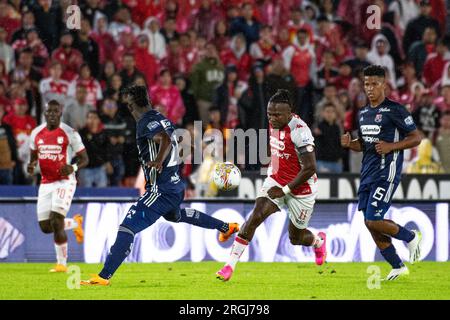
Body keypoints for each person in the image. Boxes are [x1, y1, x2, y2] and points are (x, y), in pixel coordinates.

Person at [80, 85, 239, 286]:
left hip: (161, 190)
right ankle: (225, 227)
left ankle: (103, 276)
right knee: (176, 215)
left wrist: (158, 160)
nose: (129, 110)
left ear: (133, 106)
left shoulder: (145, 122)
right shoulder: (162, 118)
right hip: (175, 186)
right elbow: (182, 145)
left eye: (129, 106)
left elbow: (164, 139)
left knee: (127, 227)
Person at [216, 89, 326, 282]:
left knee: (296, 238)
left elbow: (310, 168)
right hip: (275, 179)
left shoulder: (300, 130)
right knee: (254, 217)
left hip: (302, 189)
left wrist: (284, 190)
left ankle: (318, 242)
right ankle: (229, 266)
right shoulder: (274, 121)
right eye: (269, 114)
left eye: (277, 115)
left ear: (290, 112)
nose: (273, 118)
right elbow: (277, 147)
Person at [340, 65, 423, 281]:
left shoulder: (395, 110)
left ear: (384, 84)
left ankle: (410, 236)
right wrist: (351, 144)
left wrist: (391, 146)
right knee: (369, 222)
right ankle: (397, 265)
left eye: (374, 83)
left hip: (387, 172)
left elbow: (416, 137)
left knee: (374, 219)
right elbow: (366, 145)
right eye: (366, 84)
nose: (369, 88)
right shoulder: (364, 113)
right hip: (367, 173)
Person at [27, 100, 89, 273]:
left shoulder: (70, 133)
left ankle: (61, 264)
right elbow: (33, 156)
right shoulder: (36, 133)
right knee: (45, 227)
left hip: (65, 180)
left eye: (56, 111)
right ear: (44, 113)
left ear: (61, 113)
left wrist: (74, 167)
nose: (52, 114)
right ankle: (76, 223)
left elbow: (85, 158)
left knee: (56, 219)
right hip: (46, 182)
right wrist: (31, 165)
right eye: (49, 111)